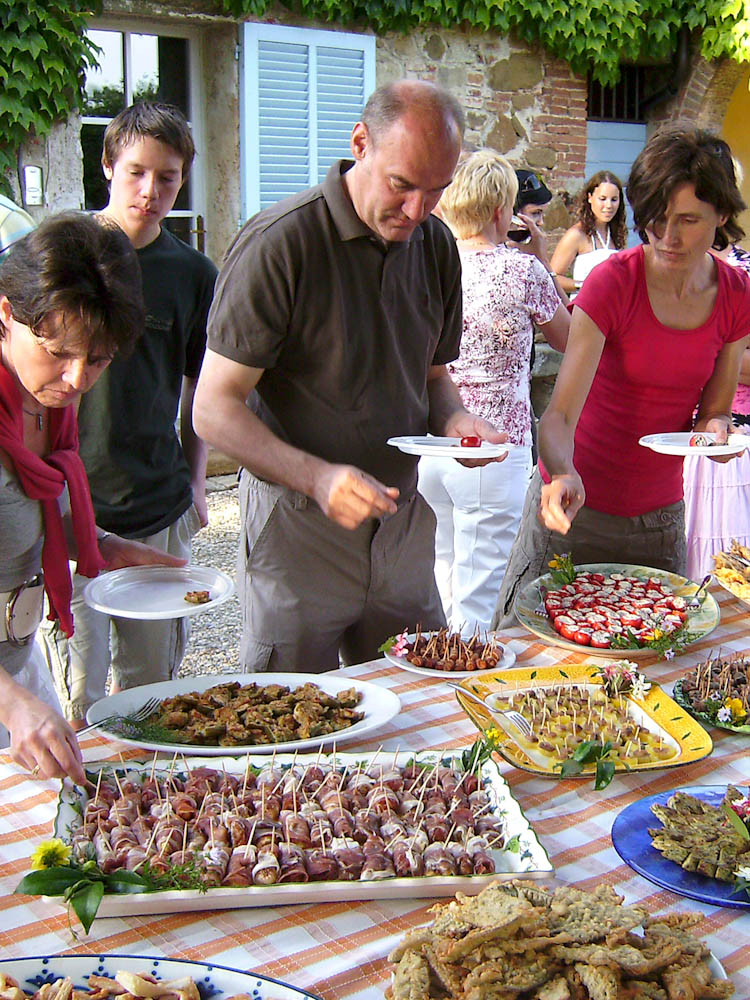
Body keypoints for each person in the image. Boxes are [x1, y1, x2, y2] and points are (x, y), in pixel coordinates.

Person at [193, 79, 506, 673]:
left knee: (421, 691)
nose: (417, 210)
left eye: (437, 190)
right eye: (402, 184)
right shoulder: (279, 243)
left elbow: (434, 376)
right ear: (361, 143)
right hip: (297, 526)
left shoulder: (436, 244)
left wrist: (457, 422)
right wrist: (316, 477)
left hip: (401, 521)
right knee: (291, 712)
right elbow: (212, 408)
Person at [493, 125, 750, 627]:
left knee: (652, 660)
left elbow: (714, 412)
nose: (668, 237)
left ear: (722, 215)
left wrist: (717, 433)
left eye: (688, 220)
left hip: (659, 521)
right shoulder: (615, 282)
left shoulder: (736, 293)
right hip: (572, 509)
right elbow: (558, 416)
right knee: (530, 656)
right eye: (655, 218)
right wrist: (561, 472)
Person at [39, 102, 218, 726]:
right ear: (108, 165)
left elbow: (200, 387)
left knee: (152, 695)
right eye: (137, 172)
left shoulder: (192, 274)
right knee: (78, 693)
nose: (150, 191)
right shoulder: (60, 255)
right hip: (67, 507)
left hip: (156, 505)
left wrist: (197, 481)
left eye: (167, 178)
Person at [0, 213, 185, 781]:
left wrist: (99, 544)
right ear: (5, 315)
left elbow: (34, 514)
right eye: (59, 352)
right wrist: (13, 705)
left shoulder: (45, 402)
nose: (78, 378)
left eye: (98, 359)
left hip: (16, 665)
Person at [418, 151, 569, 633]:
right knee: (483, 592)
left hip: (431, 441)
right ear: (503, 210)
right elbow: (570, 339)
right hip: (495, 445)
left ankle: (440, 666)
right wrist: (540, 259)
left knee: (441, 576)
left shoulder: (428, 265)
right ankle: (469, 673)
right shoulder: (521, 270)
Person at [550, 170, 627, 296]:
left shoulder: (616, 234)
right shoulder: (577, 234)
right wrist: (584, 285)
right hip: (584, 305)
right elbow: (552, 277)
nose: (608, 205)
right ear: (590, 198)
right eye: (602, 199)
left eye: (614, 199)